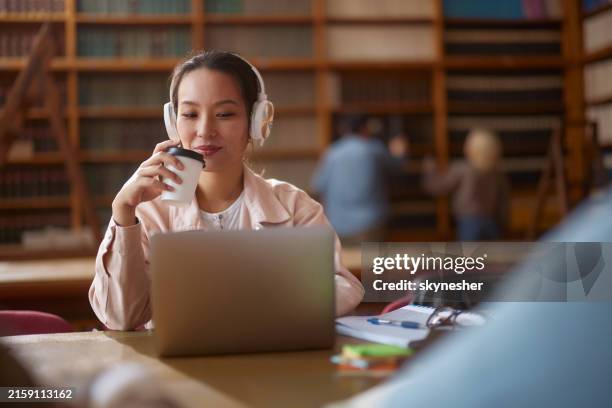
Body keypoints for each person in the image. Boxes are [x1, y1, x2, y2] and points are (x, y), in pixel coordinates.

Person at [88, 51, 364, 330]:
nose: (205, 130)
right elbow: (121, 318)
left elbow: (343, 287)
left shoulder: (293, 206)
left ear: (256, 121)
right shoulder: (147, 213)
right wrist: (123, 213)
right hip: (175, 371)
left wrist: (268, 302)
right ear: (173, 122)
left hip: (270, 365)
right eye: (190, 114)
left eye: (224, 114)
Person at [311, 114, 407, 245]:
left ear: (343, 130)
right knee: (371, 263)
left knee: (343, 264)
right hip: (370, 224)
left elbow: (317, 187)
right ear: (365, 129)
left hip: (338, 225)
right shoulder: (374, 150)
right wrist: (399, 152)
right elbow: (397, 168)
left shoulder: (332, 153)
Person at [422, 128, 510, 241]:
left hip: (470, 223)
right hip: (492, 223)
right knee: (490, 256)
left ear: (470, 148)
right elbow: (504, 202)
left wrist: (429, 169)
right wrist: (503, 224)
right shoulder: (498, 172)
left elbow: (437, 186)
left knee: (469, 257)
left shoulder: (463, 169)